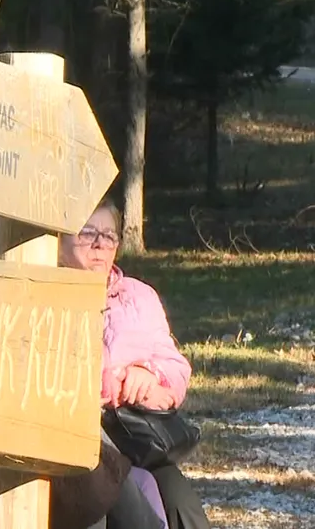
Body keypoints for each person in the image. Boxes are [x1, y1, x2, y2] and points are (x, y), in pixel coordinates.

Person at [59, 199, 212, 529]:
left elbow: (176, 367)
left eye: (109, 235)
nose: (100, 244)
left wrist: (148, 374)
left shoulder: (139, 297)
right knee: (115, 495)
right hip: (81, 434)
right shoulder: (49, 295)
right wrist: (110, 382)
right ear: (60, 239)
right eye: (87, 233)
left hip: (135, 431)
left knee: (183, 505)